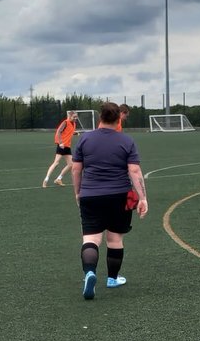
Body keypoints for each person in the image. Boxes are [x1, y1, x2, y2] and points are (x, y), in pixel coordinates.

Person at [72, 101, 148, 299]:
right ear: (118, 118)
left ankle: (90, 273)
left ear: (100, 117)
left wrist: (78, 192)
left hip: (90, 195)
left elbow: (76, 169)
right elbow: (134, 171)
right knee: (115, 239)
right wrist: (143, 198)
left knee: (91, 239)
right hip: (119, 195)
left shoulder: (84, 139)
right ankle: (112, 279)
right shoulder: (126, 140)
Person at [43, 110, 79, 187]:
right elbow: (59, 132)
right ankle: (46, 180)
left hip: (67, 146)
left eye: (76, 117)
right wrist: (60, 143)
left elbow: (68, 132)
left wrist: (75, 133)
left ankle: (58, 179)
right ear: (70, 116)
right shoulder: (65, 122)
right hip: (62, 146)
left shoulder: (74, 124)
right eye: (74, 117)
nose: (75, 118)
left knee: (71, 164)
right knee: (56, 163)